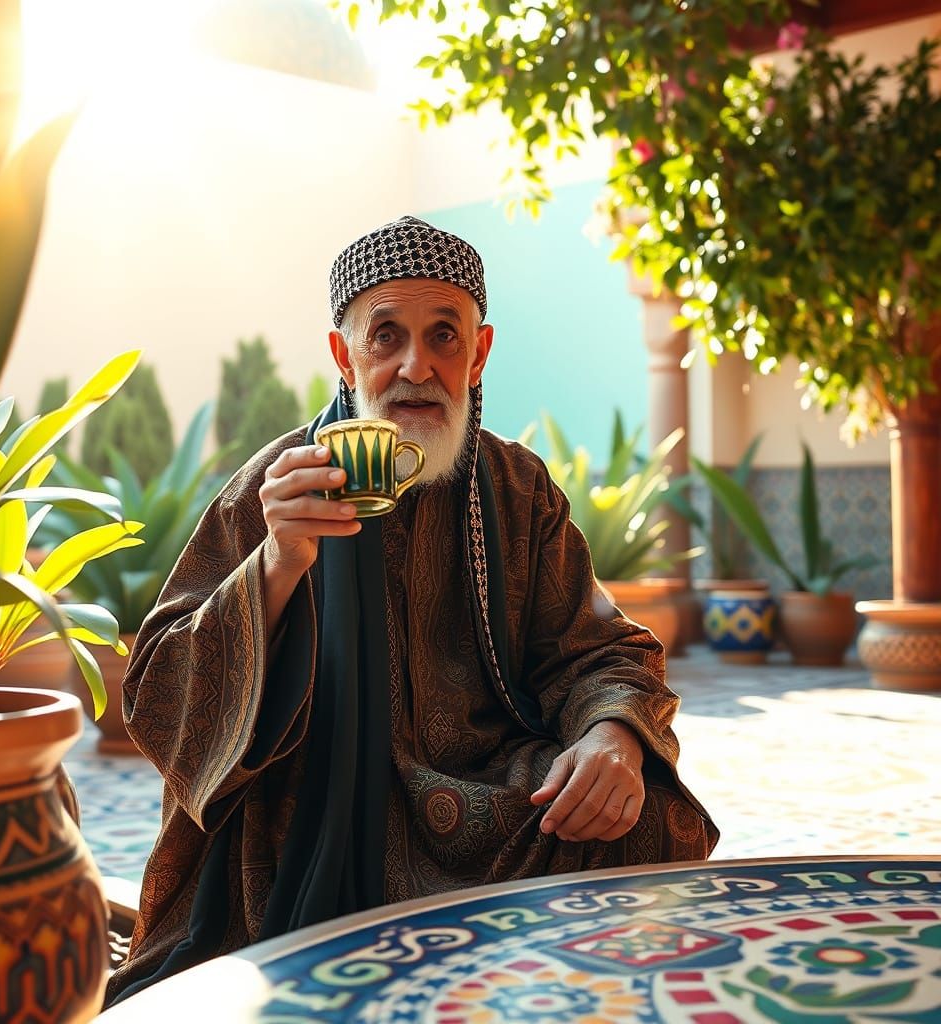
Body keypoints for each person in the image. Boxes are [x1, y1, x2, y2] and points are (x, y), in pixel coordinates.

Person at [105, 215, 718, 1005]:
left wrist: (612, 738)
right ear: (344, 355)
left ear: (478, 353)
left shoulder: (518, 488)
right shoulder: (280, 486)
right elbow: (156, 692)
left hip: (492, 800)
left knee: (638, 815)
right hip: (311, 813)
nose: (415, 366)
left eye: (443, 336)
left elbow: (600, 649)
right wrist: (277, 563)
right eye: (386, 336)